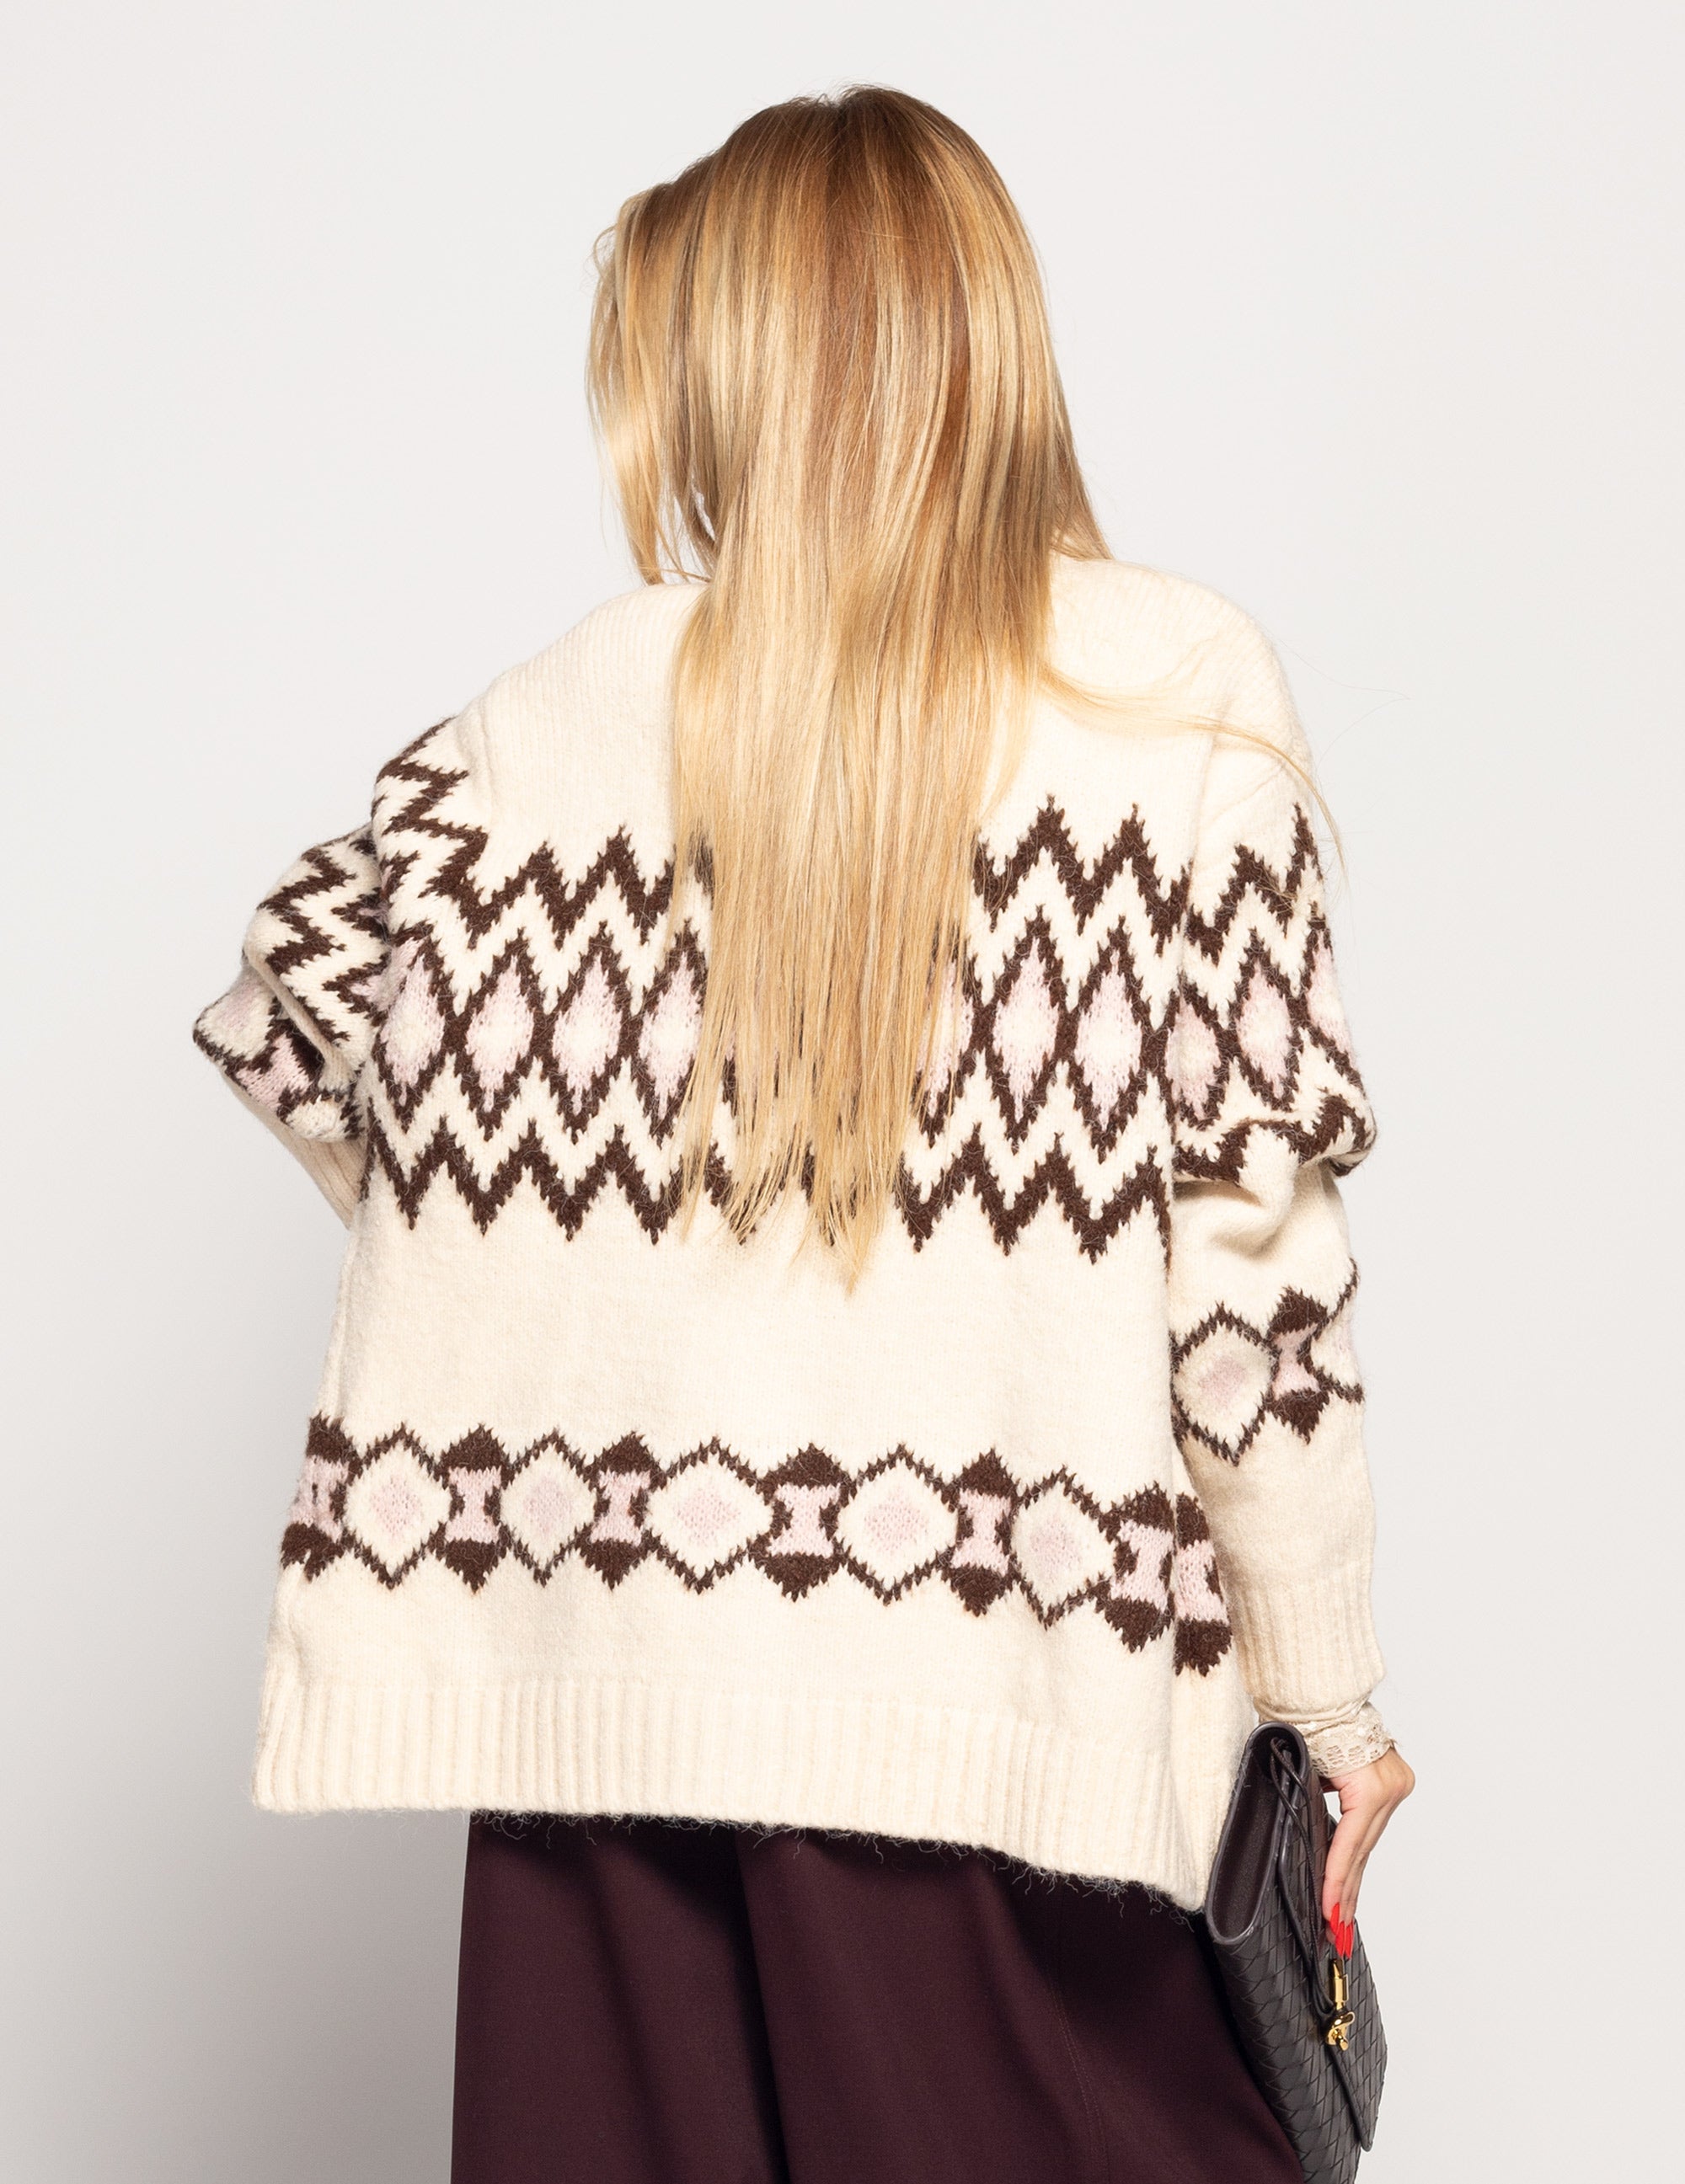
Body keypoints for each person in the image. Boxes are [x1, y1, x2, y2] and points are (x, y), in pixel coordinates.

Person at [195, 84, 1413, 2184]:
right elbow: (1253, 1293)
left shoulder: (546, 724)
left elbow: (298, 1003)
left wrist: (558, 1246)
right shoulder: (1172, 695)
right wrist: (1332, 1700)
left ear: (722, 371)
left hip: (595, 1727)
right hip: (1004, 1730)